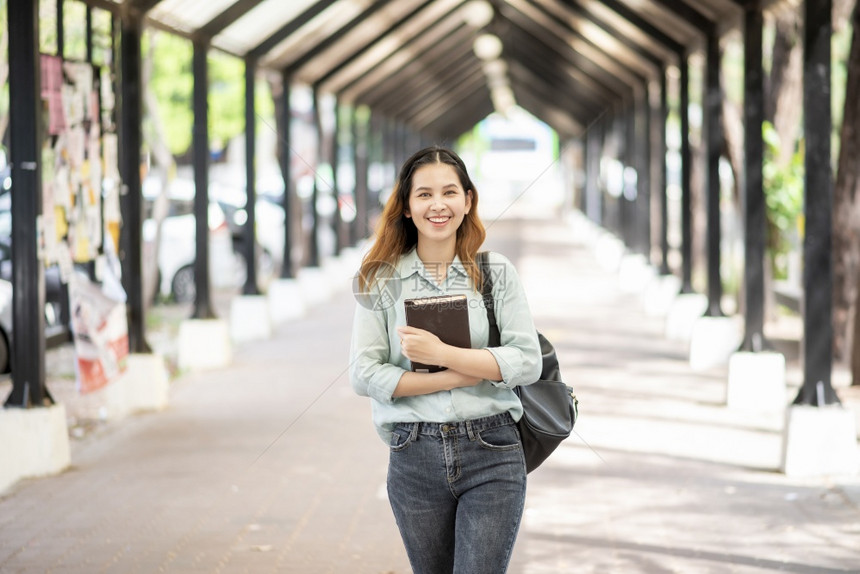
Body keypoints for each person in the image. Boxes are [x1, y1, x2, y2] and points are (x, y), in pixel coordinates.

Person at [349, 145, 542, 574]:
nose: (438, 205)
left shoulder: (497, 273)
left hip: (492, 451)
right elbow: (364, 373)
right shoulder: (380, 278)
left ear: (468, 200)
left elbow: (527, 361)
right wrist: (459, 375)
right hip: (413, 453)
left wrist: (442, 356)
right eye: (424, 194)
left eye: (450, 192)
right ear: (405, 207)